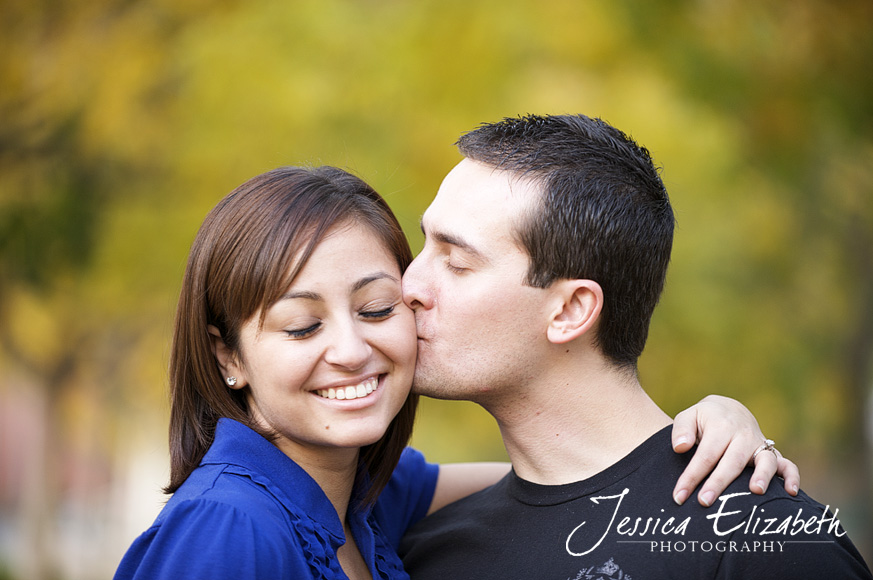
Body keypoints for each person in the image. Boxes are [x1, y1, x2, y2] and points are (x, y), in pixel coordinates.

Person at [115, 165, 796, 580]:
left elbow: (564, 474)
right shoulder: (228, 527)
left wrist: (704, 427)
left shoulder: (372, 493)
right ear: (228, 356)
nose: (350, 349)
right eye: (302, 326)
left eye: (377, 307)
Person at [398, 114, 871, 579]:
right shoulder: (425, 551)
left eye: (456, 262)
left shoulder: (761, 542)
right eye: (423, 247)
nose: (409, 284)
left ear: (570, 310)